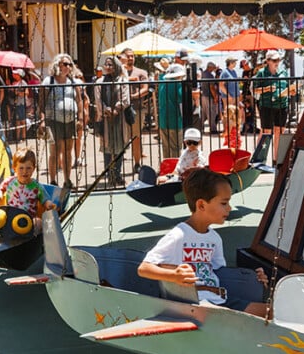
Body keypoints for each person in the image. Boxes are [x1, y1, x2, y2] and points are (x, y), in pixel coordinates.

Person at [138, 169, 270, 318]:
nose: (229, 208)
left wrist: (253, 276)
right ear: (201, 205)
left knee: (271, 312)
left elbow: (221, 272)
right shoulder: (178, 235)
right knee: (233, 317)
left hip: (219, 300)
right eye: (224, 203)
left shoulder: (214, 238)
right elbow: (144, 268)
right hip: (195, 304)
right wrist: (174, 275)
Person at [39, 54, 82, 187]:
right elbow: (41, 101)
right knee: (55, 150)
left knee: (68, 150)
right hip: (53, 120)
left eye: (70, 64)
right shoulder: (49, 81)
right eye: (65, 64)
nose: (68, 67)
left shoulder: (73, 82)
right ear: (58, 65)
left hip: (70, 121)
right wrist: (42, 120)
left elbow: (79, 100)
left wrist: (80, 118)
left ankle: (67, 179)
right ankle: (52, 180)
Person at [0, 147, 57, 233]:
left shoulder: (36, 186)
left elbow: (45, 199)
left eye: (28, 168)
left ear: (33, 169)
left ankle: (31, 238)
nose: (25, 172)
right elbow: (1, 188)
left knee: (38, 222)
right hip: (11, 218)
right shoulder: (10, 181)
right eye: (21, 168)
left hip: (29, 220)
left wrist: (48, 204)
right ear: (14, 168)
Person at [254, 50, 297, 166]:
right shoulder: (261, 73)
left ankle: (276, 160)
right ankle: (258, 160)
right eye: (274, 60)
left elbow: (288, 87)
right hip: (267, 105)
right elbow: (255, 90)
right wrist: (267, 89)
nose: (277, 62)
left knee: (279, 132)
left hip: (282, 105)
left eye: (278, 60)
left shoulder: (283, 72)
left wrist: (291, 91)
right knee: (266, 132)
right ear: (268, 61)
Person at [93, 55, 131, 186]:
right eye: (107, 64)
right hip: (105, 118)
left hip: (120, 118)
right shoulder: (100, 82)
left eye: (111, 65)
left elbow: (126, 98)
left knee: (119, 147)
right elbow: (98, 99)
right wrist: (105, 109)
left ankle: (117, 174)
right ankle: (109, 174)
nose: (108, 67)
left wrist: (117, 108)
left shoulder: (123, 80)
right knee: (107, 147)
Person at [120, 47, 149, 172]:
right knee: (120, 138)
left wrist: (132, 97)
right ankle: (117, 168)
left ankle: (137, 163)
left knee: (136, 137)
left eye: (132, 56)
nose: (131, 58)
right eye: (128, 56)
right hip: (120, 109)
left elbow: (145, 89)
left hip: (136, 108)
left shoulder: (141, 72)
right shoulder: (119, 72)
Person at [157, 64, 186, 159]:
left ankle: (166, 168)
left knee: (165, 147)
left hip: (163, 120)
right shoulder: (177, 85)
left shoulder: (162, 83)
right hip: (175, 121)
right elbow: (181, 103)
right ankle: (174, 168)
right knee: (176, 148)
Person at [199, 61, 220, 133]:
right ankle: (213, 129)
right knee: (211, 113)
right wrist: (215, 97)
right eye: (213, 68)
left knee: (203, 113)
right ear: (210, 67)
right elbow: (212, 88)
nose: (214, 69)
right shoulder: (210, 76)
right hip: (208, 96)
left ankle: (200, 128)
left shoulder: (203, 74)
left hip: (203, 95)